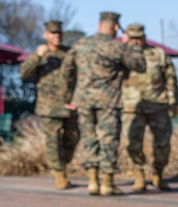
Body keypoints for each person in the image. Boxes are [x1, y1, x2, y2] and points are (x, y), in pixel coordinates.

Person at [63, 11, 146, 196]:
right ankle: (107, 184)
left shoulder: (80, 44)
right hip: (109, 102)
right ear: (116, 27)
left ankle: (92, 182)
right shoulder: (116, 47)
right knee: (108, 141)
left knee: (89, 140)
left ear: (98, 26)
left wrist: (69, 96)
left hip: (83, 101)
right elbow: (139, 65)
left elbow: (67, 71)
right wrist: (132, 46)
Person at [19, 20, 79, 189]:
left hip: (70, 105)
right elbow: (24, 73)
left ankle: (63, 164)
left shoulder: (70, 53)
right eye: (53, 34)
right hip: (49, 106)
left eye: (59, 33)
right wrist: (37, 57)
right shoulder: (40, 54)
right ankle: (59, 174)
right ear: (46, 35)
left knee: (72, 139)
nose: (56, 36)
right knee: (53, 142)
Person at [121, 23, 176, 192]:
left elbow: (170, 78)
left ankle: (158, 174)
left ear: (144, 37)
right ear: (128, 38)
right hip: (131, 107)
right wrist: (122, 47)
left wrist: (173, 101)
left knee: (163, 143)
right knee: (132, 144)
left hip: (158, 106)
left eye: (139, 37)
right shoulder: (122, 54)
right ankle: (139, 176)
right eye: (133, 38)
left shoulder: (158, 53)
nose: (136, 41)